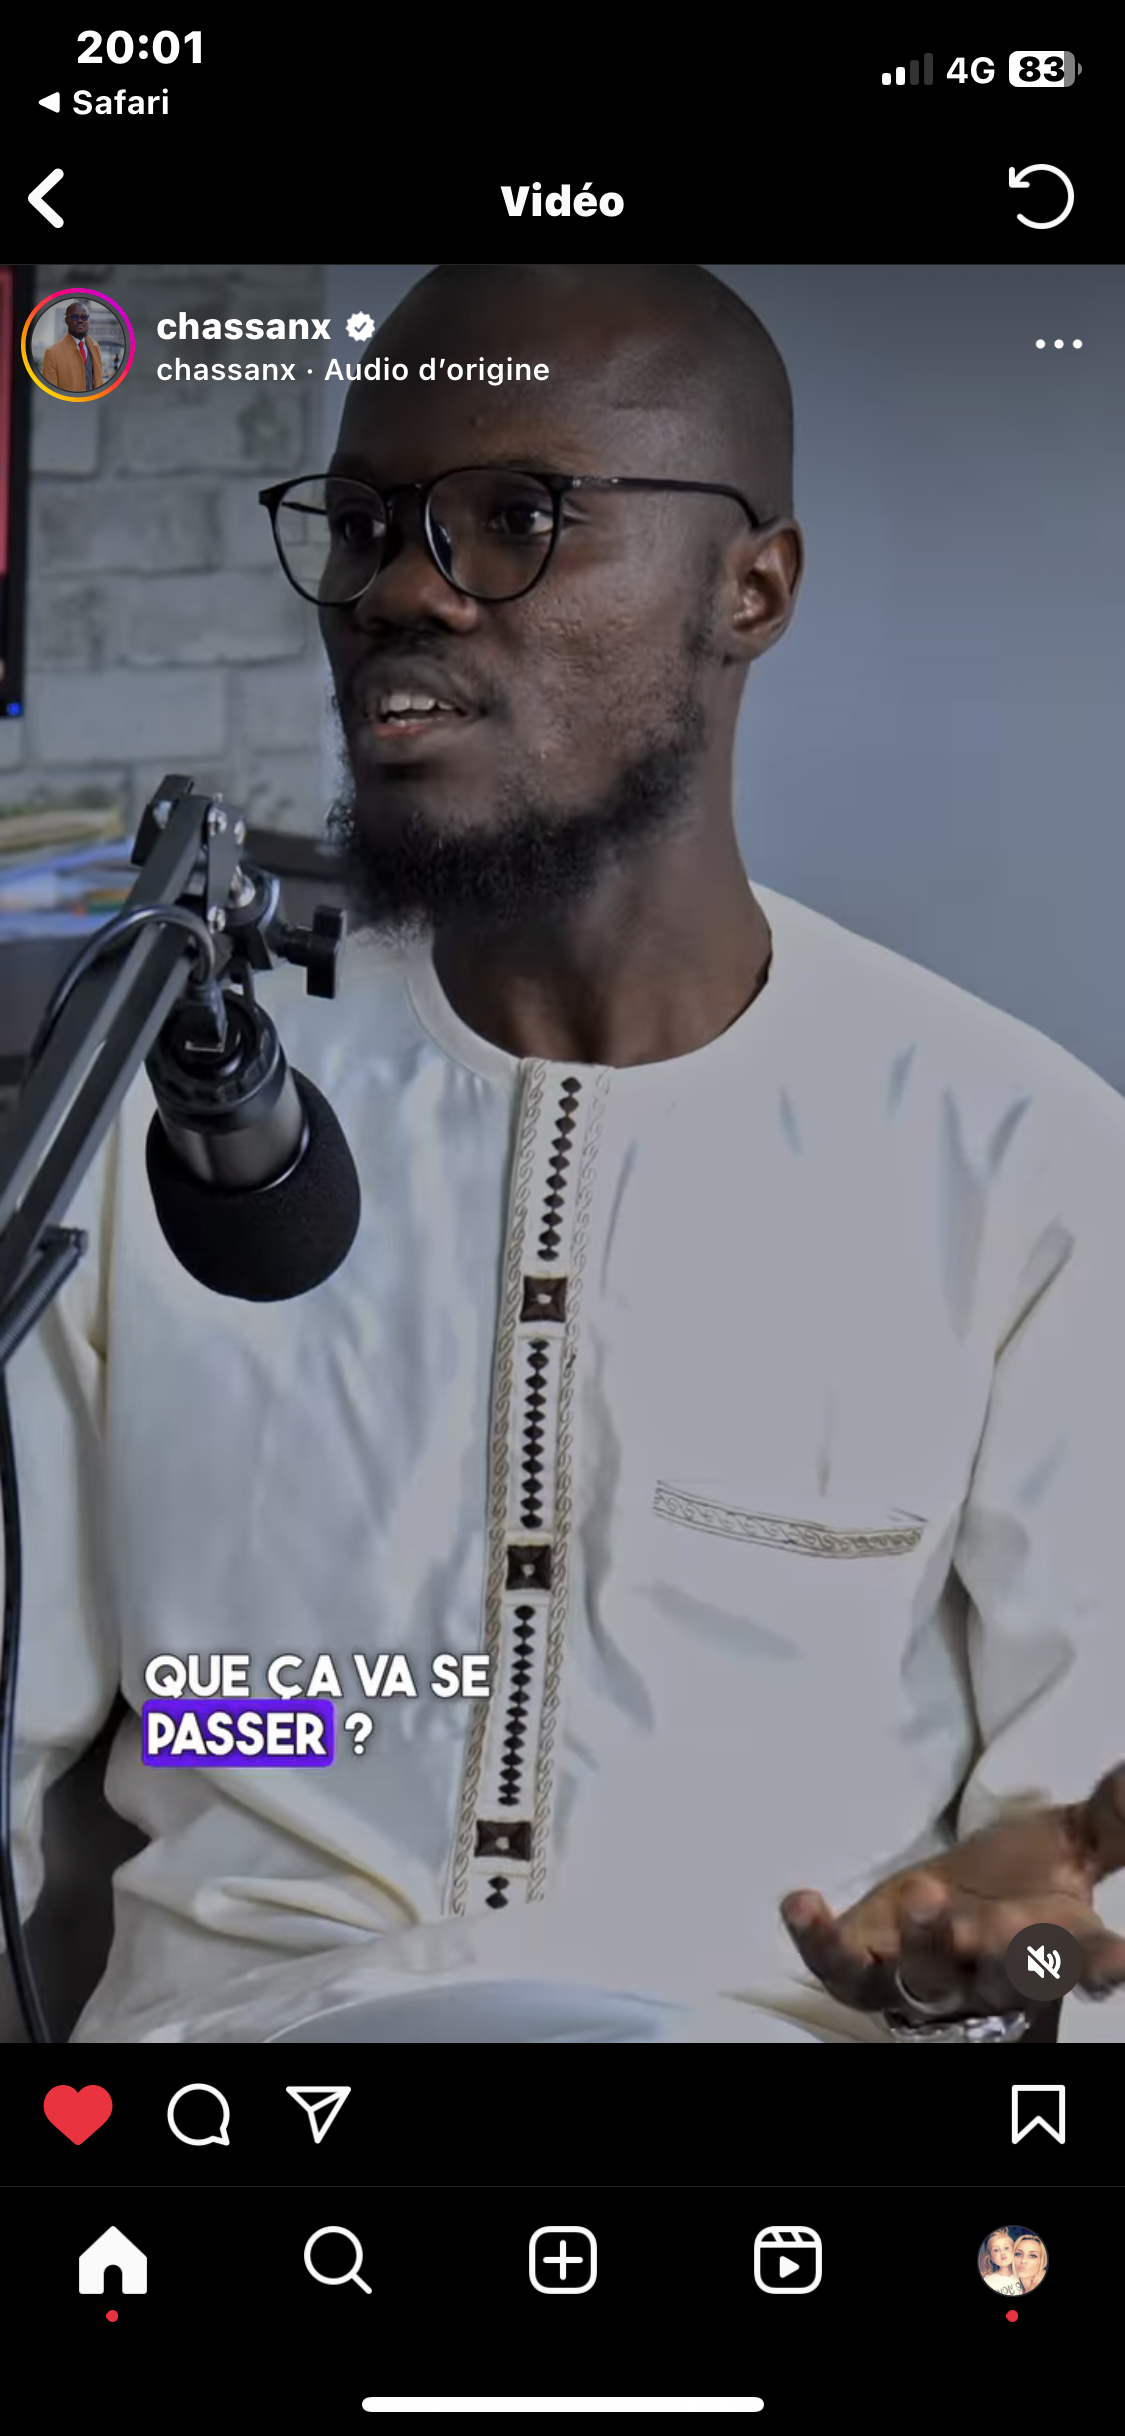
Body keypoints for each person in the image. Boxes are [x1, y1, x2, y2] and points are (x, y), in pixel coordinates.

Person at [4, 261, 1125, 2044]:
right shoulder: (151, 1108)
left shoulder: (1023, 1165)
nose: (400, 589)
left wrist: (1019, 1964)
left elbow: (1074, 1877)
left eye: (516, 518)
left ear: (752, 588)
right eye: (363, 528)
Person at [40, 303, 104, 395]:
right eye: (74, 317)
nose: (80, 320)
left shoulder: (95, 348)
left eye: (84, 317)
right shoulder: (52, 353)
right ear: (66, 320)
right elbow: (49, 394)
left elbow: (99, 382)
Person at [978, 2231, 1024, 2295]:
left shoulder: (1022, 2274)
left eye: (1006, 2248)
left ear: (1014, 2251)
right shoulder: (988, 2281)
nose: (1002, 2252)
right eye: (996, 2250)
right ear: (991, 2258)